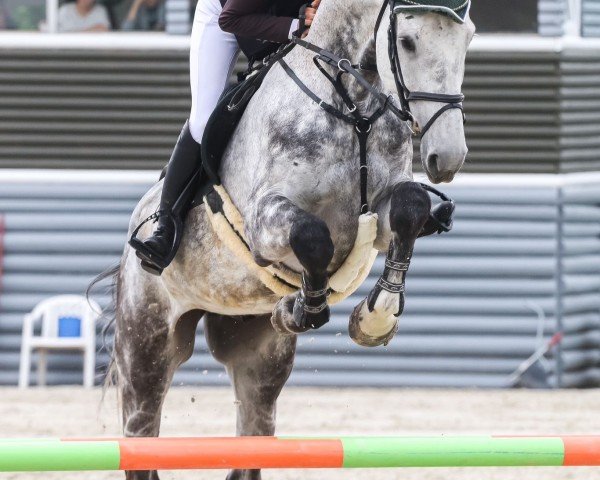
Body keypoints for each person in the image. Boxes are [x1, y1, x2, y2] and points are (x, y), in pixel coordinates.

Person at [132, 0, 320, 275]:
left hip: (278, 13)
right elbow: (230, 19)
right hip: (225, 14)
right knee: (204, 118)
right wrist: (295, 25)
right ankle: (166, 224)